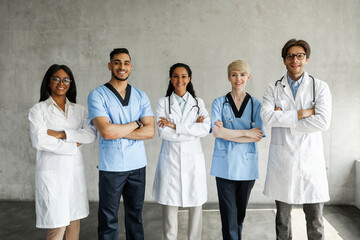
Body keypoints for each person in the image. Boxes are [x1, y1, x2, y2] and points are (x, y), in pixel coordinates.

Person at [260, 39, 332, 240]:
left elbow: (323, 122)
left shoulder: (320, 87)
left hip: (311, 161)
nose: (295, 60)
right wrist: (303, 113)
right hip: (282, 161)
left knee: (316, 220)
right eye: (290, 55)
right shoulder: (273, 88)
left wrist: (283, 116)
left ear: (307, 59)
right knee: (282, 221)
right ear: (284, 60)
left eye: (300, 55)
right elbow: (266, 117)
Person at [87, 48, 155, 240]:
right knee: (108, 219)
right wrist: (136, 123)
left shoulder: (141, 95)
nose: (121, 66)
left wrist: (119, 129)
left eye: (126, 63)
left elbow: (150, 131)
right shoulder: (97, 95)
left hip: (137, 166)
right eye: (117, 62)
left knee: (135, 216)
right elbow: (107, 132)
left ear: (131, 67)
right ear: (110, 66)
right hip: (112, 166)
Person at [29, 64, 96, 240]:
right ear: (48, 83)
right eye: (56, 79)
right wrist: (73, 144)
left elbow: (90, 134)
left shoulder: (80, 110)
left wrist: (61, 134)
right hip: (52, 174)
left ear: (70, 83)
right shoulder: (38, 109)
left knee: (73, 222)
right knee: (57, 225)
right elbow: (39, 140)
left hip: (74, 172)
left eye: (66, 79)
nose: (61, 83)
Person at [153, 63, 210, 240]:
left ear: (189, 78)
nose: (180, 80)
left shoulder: (198, 103)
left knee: (196, 205)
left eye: (184, 76)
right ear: (171, 78)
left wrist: (175, 126)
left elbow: (205, 129)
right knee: (170, 206)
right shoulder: (163, 103)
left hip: (193, 161)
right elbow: (164, 133)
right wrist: (191, 129)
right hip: (171, 161)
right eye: (176, 76)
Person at [210, 60, 265, 240]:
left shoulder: (256, 104)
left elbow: (258, 135)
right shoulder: (219, 102)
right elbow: (217, 132)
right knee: (228, 216)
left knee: (239, 215)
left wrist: (229, 132)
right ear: (228, 77)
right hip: (224, 165)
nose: (238, 78)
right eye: (234, 74)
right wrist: (246, 132)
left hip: (247, 166)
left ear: (248, 77)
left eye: (242, 75)